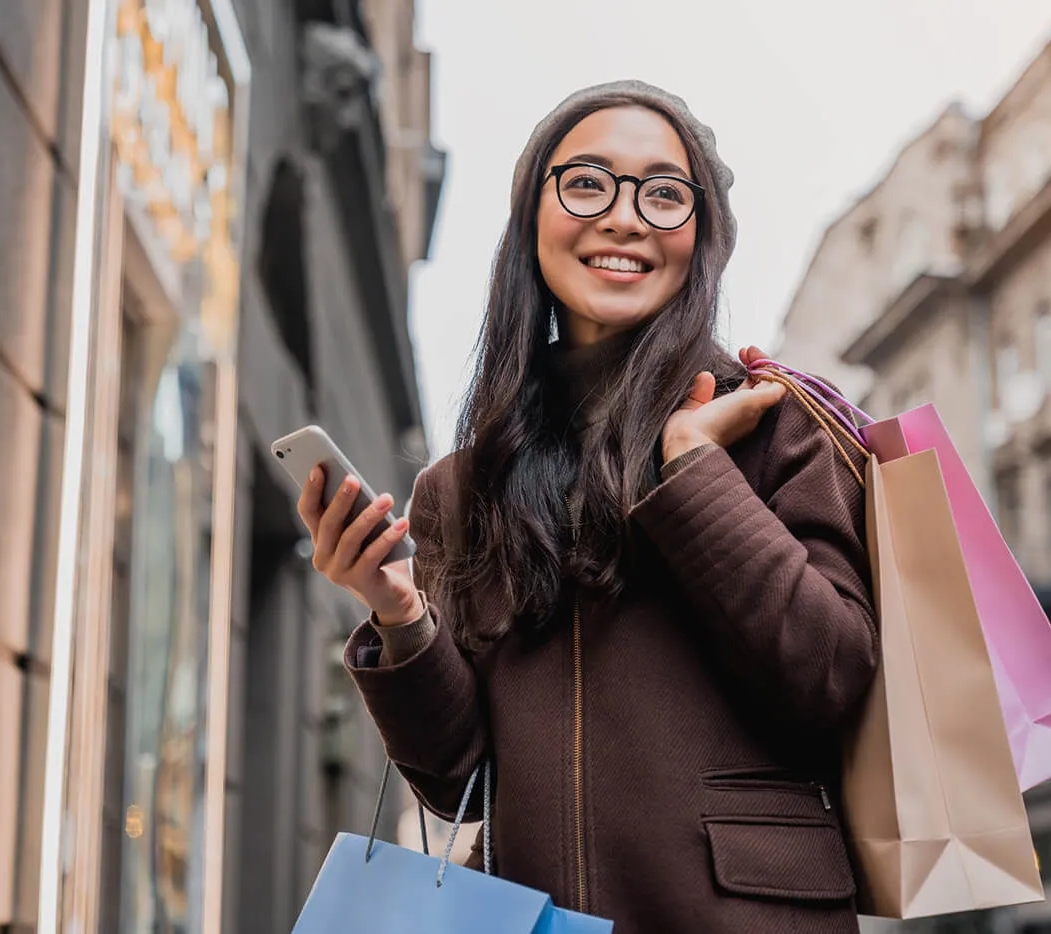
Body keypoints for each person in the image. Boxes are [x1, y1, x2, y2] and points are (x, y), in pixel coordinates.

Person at [296, 80, 877, 933]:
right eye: (588, 183)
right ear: (533, 218)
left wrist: (693, 471)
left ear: (701, 236)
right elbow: (455, 778)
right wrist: (399, 611)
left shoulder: (773, 424)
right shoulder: (462, 487)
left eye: (665, 194)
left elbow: (831, 681)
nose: (624, 218)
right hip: (534, 916)